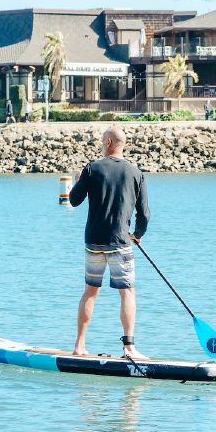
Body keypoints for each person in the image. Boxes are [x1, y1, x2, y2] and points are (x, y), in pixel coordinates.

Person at [69, 127, 150, 359]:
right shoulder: (136, 172)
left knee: (90, 292)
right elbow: (144, 213)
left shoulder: (91, 168)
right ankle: (129, 348)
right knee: (127, 292)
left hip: (93, 241)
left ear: (108, 141)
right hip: (120, 241)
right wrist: (138, 234)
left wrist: (78, 181)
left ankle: (79, 346)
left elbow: (74, 201)